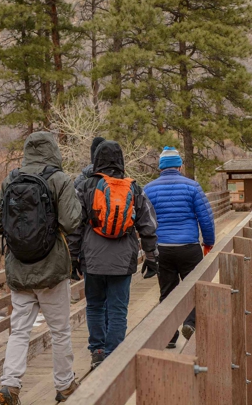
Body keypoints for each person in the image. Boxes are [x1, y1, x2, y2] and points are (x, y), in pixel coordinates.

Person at [0, 132, 82, 405]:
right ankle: (64, 385)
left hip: (19, 270)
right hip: (52, 270)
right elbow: (71, 221)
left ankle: (10, 385)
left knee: (19, 331)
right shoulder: (60, 179)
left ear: (27, 151)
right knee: (60, 331)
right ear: (53, 151)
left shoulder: (11, 180)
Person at [68, 140, 158, 369]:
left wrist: (73, 257)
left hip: (93, 259)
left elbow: (75, 225)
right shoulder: (134, 188)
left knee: (95, 306)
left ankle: (97, 351)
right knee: (118, 309)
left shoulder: (86, 186)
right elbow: (147, 224)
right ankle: (115, 355)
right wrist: (151, 256)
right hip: (122, 259)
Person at [144, 146, 215, 348]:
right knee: (194, 288)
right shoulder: (192, 187)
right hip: (189, 247)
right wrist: (208, 242)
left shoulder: (148, 189)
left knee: (167, 291)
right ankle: (190, 323)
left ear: (161, 167)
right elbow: (206, 219)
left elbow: (144, 221)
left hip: (162, 248)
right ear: (180, 166)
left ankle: (169, 336)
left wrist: (148, 248)